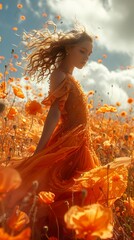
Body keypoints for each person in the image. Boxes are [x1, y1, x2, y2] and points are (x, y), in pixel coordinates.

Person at [6, 22, 131, 239]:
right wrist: (40, 150)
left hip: (81, 143)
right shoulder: (60, 75)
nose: (85, 57)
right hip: (69, 144)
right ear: (68, 49)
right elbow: (55, 113)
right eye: (82, 51)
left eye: (89, 54)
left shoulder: (70, 77)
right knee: (64, 192)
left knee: (81, 193)